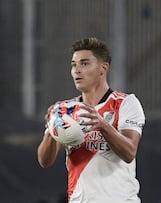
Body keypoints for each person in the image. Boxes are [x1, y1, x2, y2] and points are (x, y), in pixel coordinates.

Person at [37, 37, 145, 203]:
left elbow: (129, 152)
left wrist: (102, 125)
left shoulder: (125, 103)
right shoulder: (65, 110)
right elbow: (44, 161)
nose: (77, 70)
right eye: (74, 64)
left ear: (103, 69)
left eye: (84, 63)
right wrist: (51, 131)